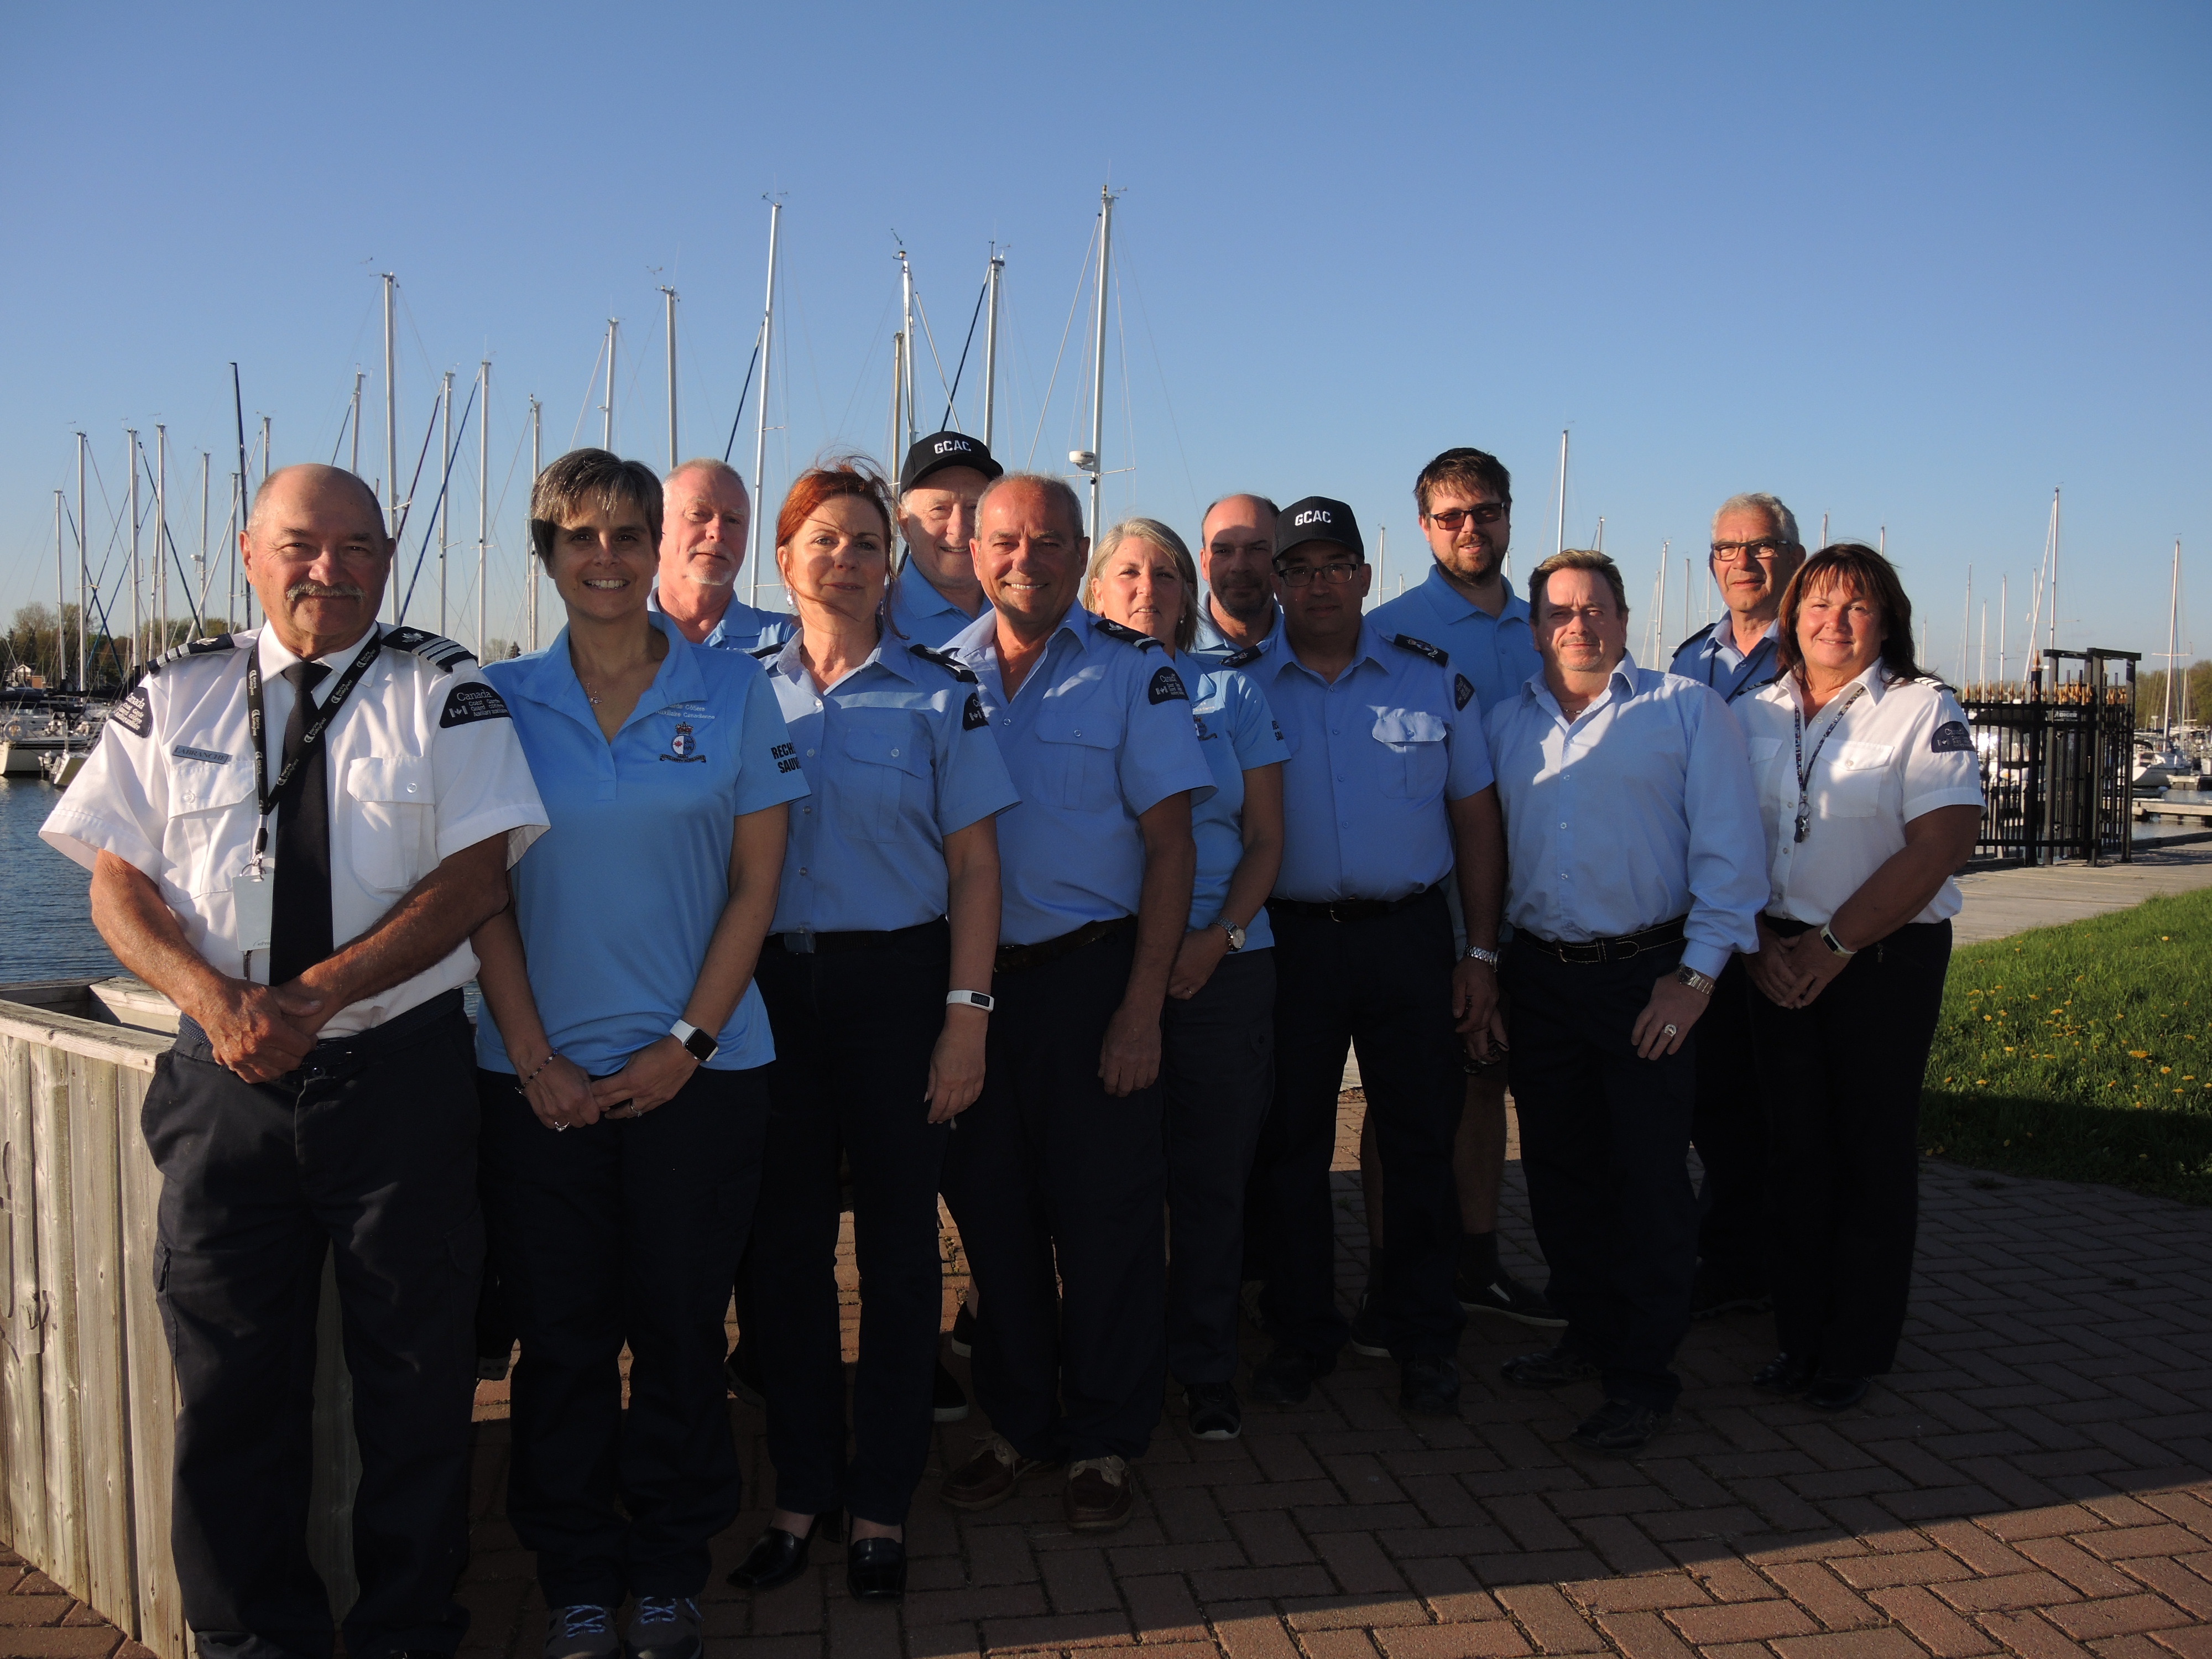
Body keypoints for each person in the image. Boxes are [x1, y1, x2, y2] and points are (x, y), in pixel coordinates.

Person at [39, 463, 549, 1659]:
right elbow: (118, 879)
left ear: (387, 555)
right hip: (223, 1090)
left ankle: (406, 1632)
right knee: (226, 1392)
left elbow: (475, 880)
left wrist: (308, 999)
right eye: (302, 545)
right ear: (249, 551)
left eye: (357, 546)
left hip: (398, 1086)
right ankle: (248, 1642)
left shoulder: (446, 691)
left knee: (417, 1388)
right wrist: (218, 1002)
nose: (330, 567)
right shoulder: (177, 696)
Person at [469, 448, 806, 1659]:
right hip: (533, 1083)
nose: (603, 559)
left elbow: (756, 888)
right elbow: (479, 897)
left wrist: (686, 1045)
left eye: (626, 535)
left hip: (702, 1080)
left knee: (674, 1332)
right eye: (578, 538)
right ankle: (572, 1574)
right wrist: (529, 1055)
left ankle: (667, 1567)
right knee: (559, 1341)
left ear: (657, 545)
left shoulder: (734, 692)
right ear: (546, 553)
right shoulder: (496, 699)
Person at [725, 461, 1016, 1604]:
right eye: (822, 541)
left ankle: (882, 1500)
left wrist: (966, 1021)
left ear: (887, 567)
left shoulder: (941, 691)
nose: (843, 558)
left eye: (862, 542)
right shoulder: (740, 693)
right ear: (784, 562)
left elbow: (976, 868)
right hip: (771, 1001)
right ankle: (802, 1491)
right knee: (783, 1257)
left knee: (897, 1258)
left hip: (901, 993)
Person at [936, 474, 1212, 1532]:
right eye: (1006, 541)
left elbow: (1172, 846)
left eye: (1050, 543)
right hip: (969, 995)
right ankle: (1017, 1424)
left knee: (1106, 1226)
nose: (1026, 560)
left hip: (1093, 980)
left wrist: (1142, 1011)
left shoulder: (1133, 675)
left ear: (1079, 553)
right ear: (972, 548)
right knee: (994, 1218)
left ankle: (1103, 1436)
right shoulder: (935, 676)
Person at [1485, 549, 1766, 1455]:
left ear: (1623, 618)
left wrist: (1695, 981)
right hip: (1541, 977)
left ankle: (1645, 1374)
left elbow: (1732, 859)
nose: (1579, 624)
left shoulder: (1688, 713)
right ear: (1535, 629)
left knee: (1648, 1179)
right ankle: (1590, 1333)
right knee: (1562, 1176)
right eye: (1561, 612)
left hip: (1647, 976)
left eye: (1595, 608)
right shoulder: (1501, 726)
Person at [1243, 495, 1506, 1420]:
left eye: (1334, 568)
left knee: (1420, 1139)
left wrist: (1479, 951)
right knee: (1292, 1145)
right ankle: (1303, 1329)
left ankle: (1423, 1330)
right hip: (1292, 942)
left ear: (1363, 578)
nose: (1317, 585)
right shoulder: (1244, 689)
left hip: (1408, 940)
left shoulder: (1431, 681)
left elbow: (1476, 820)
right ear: (1277, 583)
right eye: (1298, 569)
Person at [1736, 545, 1981, 1411]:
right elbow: (1726, 844)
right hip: (1774, 955)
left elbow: (1941, 844)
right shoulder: (1752, 713)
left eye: (1856, 607)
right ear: (1791, 614)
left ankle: (1854, 1350)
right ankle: (1799, 1337)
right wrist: (1761, 941)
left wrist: (1834, 947)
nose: (1833, 622)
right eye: (1817, 605)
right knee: (1793, 1150)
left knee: (1869, 1151)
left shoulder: (1923, 710)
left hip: (1879, 960)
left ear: (1887, 620)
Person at [1085, 518, 1286, 1442]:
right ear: (1095, 588)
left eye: (1165, 573)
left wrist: (1224, 935)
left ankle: (1205, 1366)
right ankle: (1108, 1361)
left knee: (1209, 1179)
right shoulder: (1064, 689)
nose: (1147, 589)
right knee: (1109, 1185)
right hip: (1098, 963)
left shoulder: (1230, 694)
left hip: (1220, 965)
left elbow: (1267, 841)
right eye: (1127, 572)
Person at [1366, 447, 1556, 1328]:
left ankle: (1477, 1259)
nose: (1470, 529)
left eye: (1485, 511)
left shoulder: (1551, 625)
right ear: (1424, 527)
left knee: (1496, 1081)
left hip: (1545, 895)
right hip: (1435, 898)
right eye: (1450, 517)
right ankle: (1391, 1271)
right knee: (1410, 1088)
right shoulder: (1390, 629)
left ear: (1509, 515)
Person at [1668, 494, 1808, 1319]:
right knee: (1716, 1104)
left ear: (1792, 554)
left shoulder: (1819, 648)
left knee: (1784, 1109)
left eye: (1760, 546)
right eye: (1727, 548)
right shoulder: (1694, 662)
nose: (1743, 562)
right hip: (1710, 918)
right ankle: (1729, 1258)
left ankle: (1789, 1268)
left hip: (1788, 914)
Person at [650, 458, 792, 650]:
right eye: (698, 514)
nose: (717, 532)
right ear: (657, 527)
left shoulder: (790, 643)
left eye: (733, 520)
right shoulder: (606, 637)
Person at [889, 431, 1003, 647]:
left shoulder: (1029, 613)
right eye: (939, 509)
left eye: (974, 508)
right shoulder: (871, 624)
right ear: (904, 523)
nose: (959, 528)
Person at [1190, 494, 1282, 660]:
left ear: (1281, 558)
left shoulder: (1315, 652)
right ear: (1204, 564)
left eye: (1256, 549)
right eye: (1223, 551)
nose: (1239, 567)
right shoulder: (1170, 651)